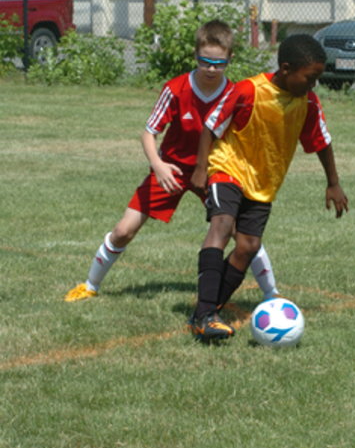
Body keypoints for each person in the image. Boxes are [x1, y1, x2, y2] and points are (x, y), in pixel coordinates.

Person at [64, 20, 279, 305]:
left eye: (219, 63)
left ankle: (272, 295)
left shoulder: (235, 94)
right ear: (195, 56)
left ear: (230, 59)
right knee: (124, 230)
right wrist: (158, 165)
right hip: (171, 169)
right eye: (205, 62)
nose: (211, 69)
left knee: (242, 233)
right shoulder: (176, 89)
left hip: (215, 170)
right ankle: (90, 285)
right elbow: (148, 133)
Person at [189, 33, 349, 343]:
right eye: (310, 77)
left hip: (263, 184)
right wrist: (200, 168)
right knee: (222, 226)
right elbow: (211, 126)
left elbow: (321, 142)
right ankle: (206, 314)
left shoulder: (308, 102)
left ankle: (208, 311)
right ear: (286, 69)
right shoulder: (248, 90)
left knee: (248, 247)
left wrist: (333, 182)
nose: (314, 84)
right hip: (228, 168)